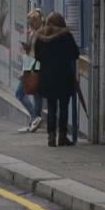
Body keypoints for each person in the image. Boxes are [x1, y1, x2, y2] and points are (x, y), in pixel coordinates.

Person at [34, 11, 81, 147]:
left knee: (51, 107)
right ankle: (62, 136)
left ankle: (51, 136)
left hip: (47, 78)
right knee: (64, 107)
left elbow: (37, 56)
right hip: (64, 77)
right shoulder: (66, 37)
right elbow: (75, 54)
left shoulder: (41, 37)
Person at [14, 9, 44, 133]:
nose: (30, 26)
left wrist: (28, 70)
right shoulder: (35, 32)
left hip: (33, 66)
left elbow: (38, 53)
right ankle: (34, 121)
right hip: (32, 65)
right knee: (37, 95)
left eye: (32, 23)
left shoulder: (41, 33)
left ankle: (35, 117)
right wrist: (27, 47)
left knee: (20, 93)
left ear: (37, 21)